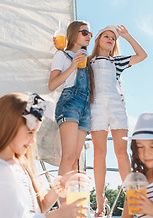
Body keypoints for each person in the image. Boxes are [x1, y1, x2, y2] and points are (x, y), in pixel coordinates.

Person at [0, 93, 88, 218]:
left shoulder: (19, 168)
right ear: (8, 128)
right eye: (30, 133)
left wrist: (59, 185)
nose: (33, 141)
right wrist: (60, 215)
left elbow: (40, 208)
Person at [89, 25, 147, 217]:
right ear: (97, 39)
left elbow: (142, 55)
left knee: (121, 152)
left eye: (113, 39)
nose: (110, 40)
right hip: (96, 106)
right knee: (99, 153)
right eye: (106, 36)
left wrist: (127, 36)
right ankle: (99, 203)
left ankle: (133, 199)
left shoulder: (117, 61)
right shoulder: (87, 62)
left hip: (116, 106)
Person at [49, 21, 94, 184]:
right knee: (68, 157)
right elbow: (52, 85)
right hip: (69, 103)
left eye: (90, 34)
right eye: (84, 33)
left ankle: (73, 203)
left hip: (85, 108)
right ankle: (61, 204)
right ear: (74, 34)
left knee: (76, 160)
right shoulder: (61, 55)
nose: (89, 36)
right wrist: (72, 66)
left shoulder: (88, 58)